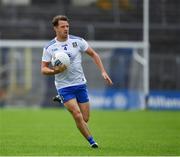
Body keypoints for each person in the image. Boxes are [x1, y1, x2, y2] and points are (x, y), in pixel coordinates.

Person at [41, 15, 113, 148]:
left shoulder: (78, 41)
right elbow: (43, 69)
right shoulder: (50, 47)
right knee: (77, 114)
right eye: (62, 26)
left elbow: (94, 54)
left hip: (80, 84)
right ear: (55, 28)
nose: (66, 29)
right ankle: (92, 142)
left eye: (67, 26)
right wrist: (55, 71)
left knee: (85, 119)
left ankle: (61, 100)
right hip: (64, 86)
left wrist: (103, 71)